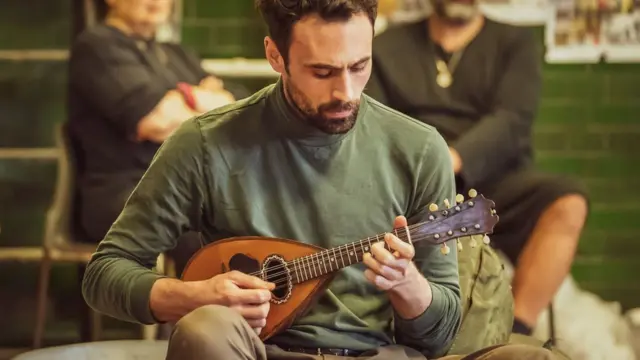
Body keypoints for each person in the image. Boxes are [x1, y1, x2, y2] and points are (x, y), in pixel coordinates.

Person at [82, 0, 560, 359]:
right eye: (322, 71)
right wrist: (192, 295)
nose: (346, 92)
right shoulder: (206, 143)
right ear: (275, 55)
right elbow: (106, 271)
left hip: (380, 355)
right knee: (204, 330)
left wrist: (409, 286)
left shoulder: (419, 149)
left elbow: (437, 337)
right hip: (260, 353)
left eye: (360, 66)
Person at [365, 0, 589, 337]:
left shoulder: (514, 43)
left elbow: (512, 120)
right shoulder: (386, 46)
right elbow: (375, 122)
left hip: (496, 181)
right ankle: (403, 330)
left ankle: (515, 333)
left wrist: (455, 157)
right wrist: (428, 166)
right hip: (417, 185)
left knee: (567, 203)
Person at [67, 0, 249, 275]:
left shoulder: (174, 53)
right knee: (206, 224)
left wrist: (183, 99)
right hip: (123, 193)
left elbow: (238, 107)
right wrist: (198, 95)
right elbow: (154, 120)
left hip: (180, 186)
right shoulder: (97, 46)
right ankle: (211, 312)